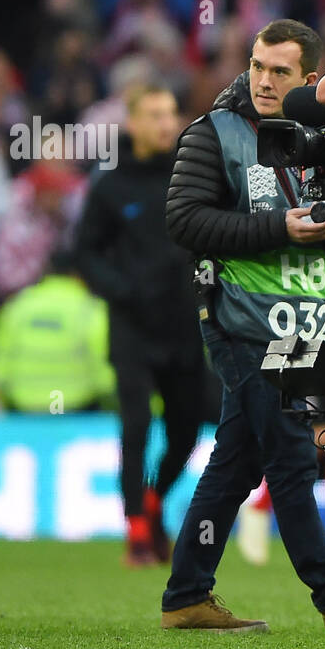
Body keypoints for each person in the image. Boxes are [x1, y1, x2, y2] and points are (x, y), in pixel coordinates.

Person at [159, 18, 325, 634]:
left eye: (280, 72)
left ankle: (187, 594)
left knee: (238, 460)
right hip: (239, 318)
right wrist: (280, 229)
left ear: (312, 80)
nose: (263, 81)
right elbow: (184, 222)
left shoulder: (319, 139)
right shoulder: (212, 134)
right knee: (292, 454)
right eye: (258, 66)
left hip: (299, 325)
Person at [74, 83, 205, 568]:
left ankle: (152, 501)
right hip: (131, 325)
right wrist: (121, 289)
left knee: (188, 431)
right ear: (132, 123)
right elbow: (85, 251)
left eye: (170, 113)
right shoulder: (110, 184)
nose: (165, 123)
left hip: (184, 322)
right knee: (135, 425)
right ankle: (135, 531)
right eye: (153, 115)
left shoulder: (191, 176)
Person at [0, 252, 114, 413]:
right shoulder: (92, 310)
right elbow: (105, 375)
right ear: (78, 275)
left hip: (24, 410)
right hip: (74, 410)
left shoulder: (16, 307)